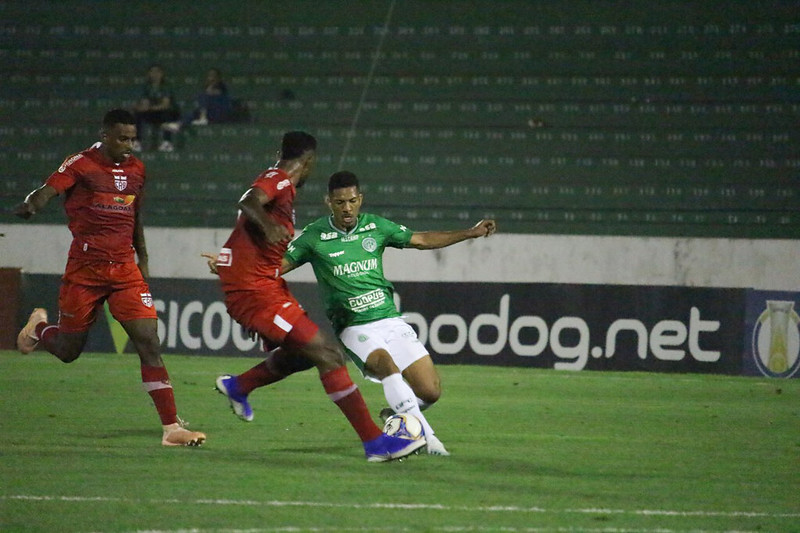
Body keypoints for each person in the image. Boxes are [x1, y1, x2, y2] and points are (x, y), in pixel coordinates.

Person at [205, 171, 497, 456]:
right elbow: (275, 267)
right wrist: (232, 266)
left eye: (352, 201)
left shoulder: (376, 227)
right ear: (328, 202)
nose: (347, 208)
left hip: (390, 320)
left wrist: (470, 232)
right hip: (354, 327)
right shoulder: (314, 236)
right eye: (340, 202)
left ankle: (395, 415)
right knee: (386, 366)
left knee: (430, 392)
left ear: (361, 199)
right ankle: (428, 439)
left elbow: (420, 240)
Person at [210, 132, 425, 462]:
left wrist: (233, 259)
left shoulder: (282, 187)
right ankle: (375, 444)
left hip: (265, 286)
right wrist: (267, 227)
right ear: (308, 162)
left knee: (304, 354)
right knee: (328, 354)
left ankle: (239, 386)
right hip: (255, 291)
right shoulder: (278, 180)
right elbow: (249, 201)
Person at [13, 109, 206, 447]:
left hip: (124, 270)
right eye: (122, 138)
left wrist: (142, 257)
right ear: (104, 134)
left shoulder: (136, 169)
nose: (129, 145)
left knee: (149, 341)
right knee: (68, 350)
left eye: (133, 138)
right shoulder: (81, 163)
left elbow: (135, 214)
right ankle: (39, 328)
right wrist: (32, 204)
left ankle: (171, 428)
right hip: (85, 271)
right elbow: (47, 190)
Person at [161, 68, 234, 136]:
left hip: (220, 113)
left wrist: (210, 90)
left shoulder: (222, 88)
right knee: (193, 112)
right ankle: (179, 124)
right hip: (209, 114)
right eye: (210, 76)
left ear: (218, 78)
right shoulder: (205, 89)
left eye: (214, 76)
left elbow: (218, 95)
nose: (211, 78)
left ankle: (201, 117)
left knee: (203, 97)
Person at [132, 65, 180, 152]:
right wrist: (141, 108)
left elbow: (165, 104)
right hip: (153, 112)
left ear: (162, 74)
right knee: (138, 115)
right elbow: (144, 102)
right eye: (152, 72)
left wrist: (150, 108)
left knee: (167, 114)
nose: (155, 74)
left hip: (167, 113)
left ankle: (167, 142)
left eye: (157, 72)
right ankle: (137, 142)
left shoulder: (166, 86)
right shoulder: (147, 87)